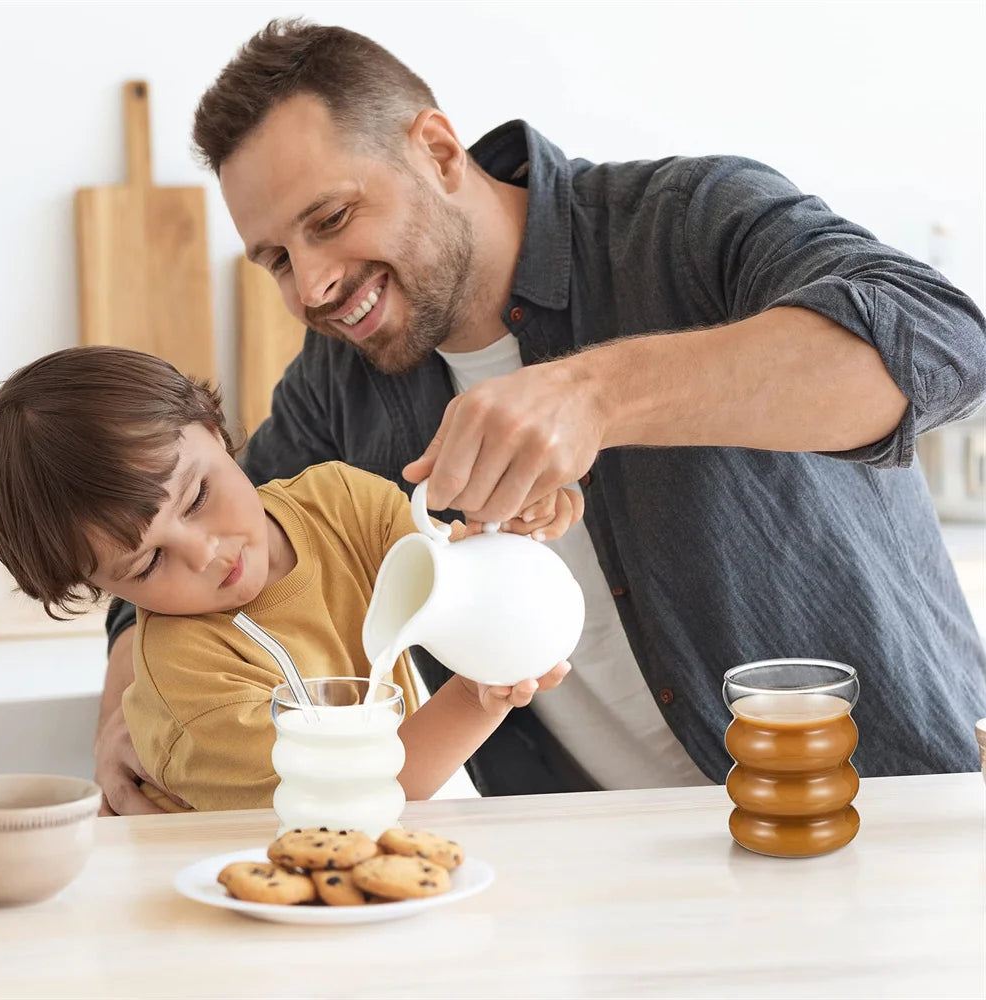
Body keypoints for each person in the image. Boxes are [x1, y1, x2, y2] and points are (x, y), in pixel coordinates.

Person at [97, 19, 986, 813]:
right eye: (277, 260)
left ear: (438, 151)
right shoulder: (337, 385)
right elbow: (189, 539)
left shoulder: (684, 223)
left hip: (890, 816)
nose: (314, 286)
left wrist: (596, 394)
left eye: (330, 218)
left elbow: (945, 343)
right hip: (593, 878)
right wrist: (121, 709)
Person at [0, 346, 572, 812]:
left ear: (213, 429)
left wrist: (507, 525)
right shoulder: (188, 672)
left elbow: (455, 574)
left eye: (198, 497)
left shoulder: (341, 503)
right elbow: (354, 793)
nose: (205, 554)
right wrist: (474, 696)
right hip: (216, 885)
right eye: (148, 564)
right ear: (104, 590)